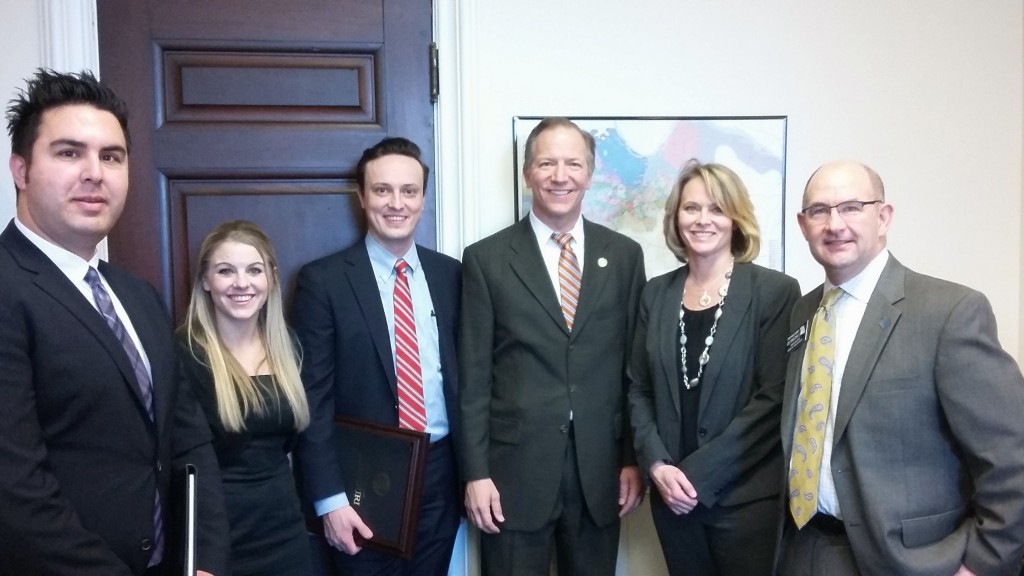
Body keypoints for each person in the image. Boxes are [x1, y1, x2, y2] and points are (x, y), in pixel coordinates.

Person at [0, 69, 228, 575]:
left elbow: (188, 440)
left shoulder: (137, 295)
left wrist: (204, 560)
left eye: (111, 156)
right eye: (68, 153)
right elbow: (14, 492)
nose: (94, 172)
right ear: (21, 170)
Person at [778, 160, 1024, 576]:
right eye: (819, 211)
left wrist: (983, 564)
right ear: (803, 226)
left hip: (915, 561)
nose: (834, 224)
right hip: (806, 548)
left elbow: (1011, 457)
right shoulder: (803, 313)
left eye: (852, 207)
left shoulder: (949, 312)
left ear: (884, 216)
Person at [458, 116, 646, 575]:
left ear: (589, 173)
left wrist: (630, 459)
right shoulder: (486, 259)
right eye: (546, 163)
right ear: (527, 174)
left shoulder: (624, 256)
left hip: (599, 472)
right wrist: (475, 473)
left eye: (572, 164)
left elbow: (634, 368)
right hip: (511, 475)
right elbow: (473, 377)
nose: (560, 176)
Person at [292, 136, 461, 575]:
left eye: (409, 191)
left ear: (423, 198)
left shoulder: (451, 276)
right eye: (383, 190)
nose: (396, 203)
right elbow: (313, 399)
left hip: (440, 473)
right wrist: (328, 499)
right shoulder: (323, 282)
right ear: (363, 197)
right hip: (360, 480)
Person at [627, 160, 800, 575]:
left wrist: (695, 476)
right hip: (671, 498)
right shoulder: (655, 294)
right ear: (676, 217)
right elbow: (637, 389)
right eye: (691, 208)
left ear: (736, 220)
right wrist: (657, 466)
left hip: (745, 500)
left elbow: (773, 399)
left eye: (717, 209)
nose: (703, 220)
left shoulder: (774, 292)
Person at [178, 220, 312, 575]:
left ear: (270, 277)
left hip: (286, 530)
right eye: (226, 271)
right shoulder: (183, 354)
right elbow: (176, 461)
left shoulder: (290, 349)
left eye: (254, 270)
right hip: (218, 538)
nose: (242, 283)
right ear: (206, 280)